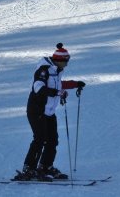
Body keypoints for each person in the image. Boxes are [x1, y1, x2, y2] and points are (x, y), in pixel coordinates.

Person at [13, 43, 86, 181]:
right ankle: (29, 168)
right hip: (37, 110)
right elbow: (38, 88)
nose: (66, 65)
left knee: (53, 140)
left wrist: (75, 84)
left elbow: (58, 84)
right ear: (59, 60)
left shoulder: (56, 71)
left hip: (49, 112)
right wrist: (57, 93)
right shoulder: (43, 70)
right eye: (65, 62)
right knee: (40, 139)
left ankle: (45, 167)